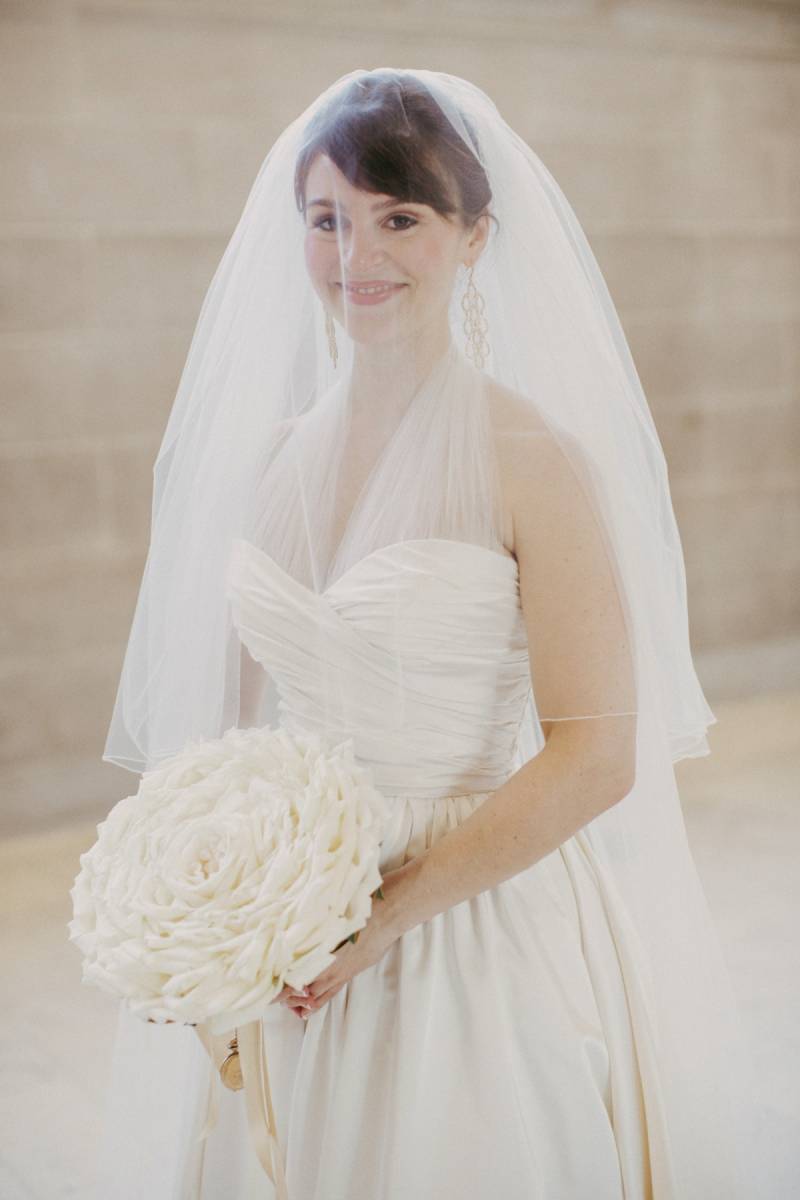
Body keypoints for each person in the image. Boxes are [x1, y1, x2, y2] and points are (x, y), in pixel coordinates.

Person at [94, 69, 763, 1199]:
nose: (357, 256)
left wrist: (383, 916)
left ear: (472, 236)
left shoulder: (530, 458)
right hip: (289, 924)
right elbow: (210, 740)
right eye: (326, 220)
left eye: (397, 217)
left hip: (471, 926)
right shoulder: (266, 463)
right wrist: (208, 912)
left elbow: (595, 755)